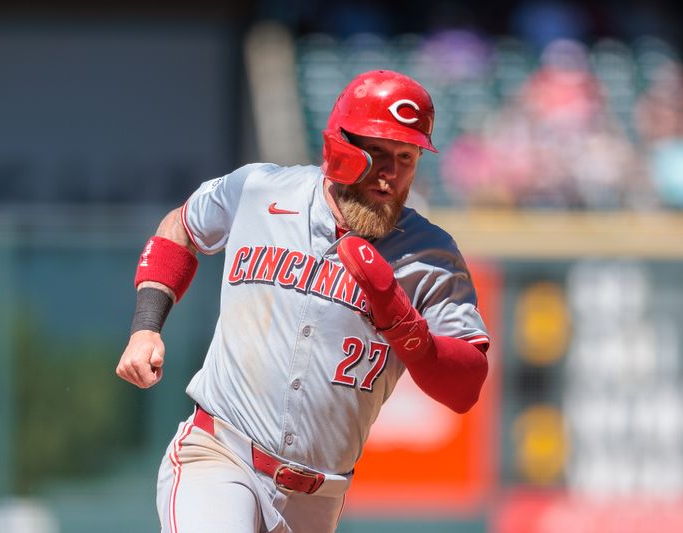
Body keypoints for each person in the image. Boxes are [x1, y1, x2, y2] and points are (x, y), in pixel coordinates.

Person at [115, 69, 491, 533]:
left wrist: (401, 321)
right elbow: (182, 225)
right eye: (376, 153)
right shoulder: (260, 190)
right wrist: (146, 326)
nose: (390, 174)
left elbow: (466, 386)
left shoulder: (430, 255)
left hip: (317, 497)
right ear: (338, 146)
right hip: (220, 453)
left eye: (406, 157)